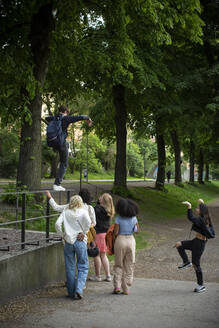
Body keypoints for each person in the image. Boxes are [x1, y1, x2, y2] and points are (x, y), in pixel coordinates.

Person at [46, 191, 91, 300]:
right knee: (83, 266)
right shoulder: (84, 211)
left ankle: (71, 293)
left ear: (70, 202)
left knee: (70, 268)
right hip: (80, 241)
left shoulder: (65, 211)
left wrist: (62, 235)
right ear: (80, 202)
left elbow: (57, 224)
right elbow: (89, 223)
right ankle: (79, 289)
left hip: (68, 242)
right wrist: (83, 233)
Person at [46, 105, 93, 191]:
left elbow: (47, 118)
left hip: (52, 142)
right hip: (60, 143)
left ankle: (57, 182)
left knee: (65, 146)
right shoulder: (65, 118)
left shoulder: (54, 118)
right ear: (66, 112)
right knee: (64, 163)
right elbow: (78, 117)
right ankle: (57, 184)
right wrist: (88, 118)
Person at [175, 199, 213, 293]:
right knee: (179, 244)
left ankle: (201, 285)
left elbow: (191, 217)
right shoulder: (204, 217)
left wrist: (189, 207)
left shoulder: (201, 219)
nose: (196, 209)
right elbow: (204, 209)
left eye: (197, 208)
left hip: (199, 244)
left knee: (196, 265)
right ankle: (186, 262)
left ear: (201, 211)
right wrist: (202, 202)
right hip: (196, 241)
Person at [113, 198, 139, 295]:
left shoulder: (118, 218)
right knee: (129, 265)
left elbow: (115, 232)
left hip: (120, 240)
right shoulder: (134, 218)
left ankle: (117, 286)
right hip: (131, 240)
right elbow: (137, 230)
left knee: (118, 264)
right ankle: (127, 288)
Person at [89, 193, 115, 282]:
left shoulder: (97, 209)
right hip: (105, 235)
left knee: (96, 255)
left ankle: (98, 275)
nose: (99, 197)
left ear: (102, 200)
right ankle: (108, 275)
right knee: (104, 255)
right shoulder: (109, 210)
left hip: (98, 234)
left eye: (101, 197)